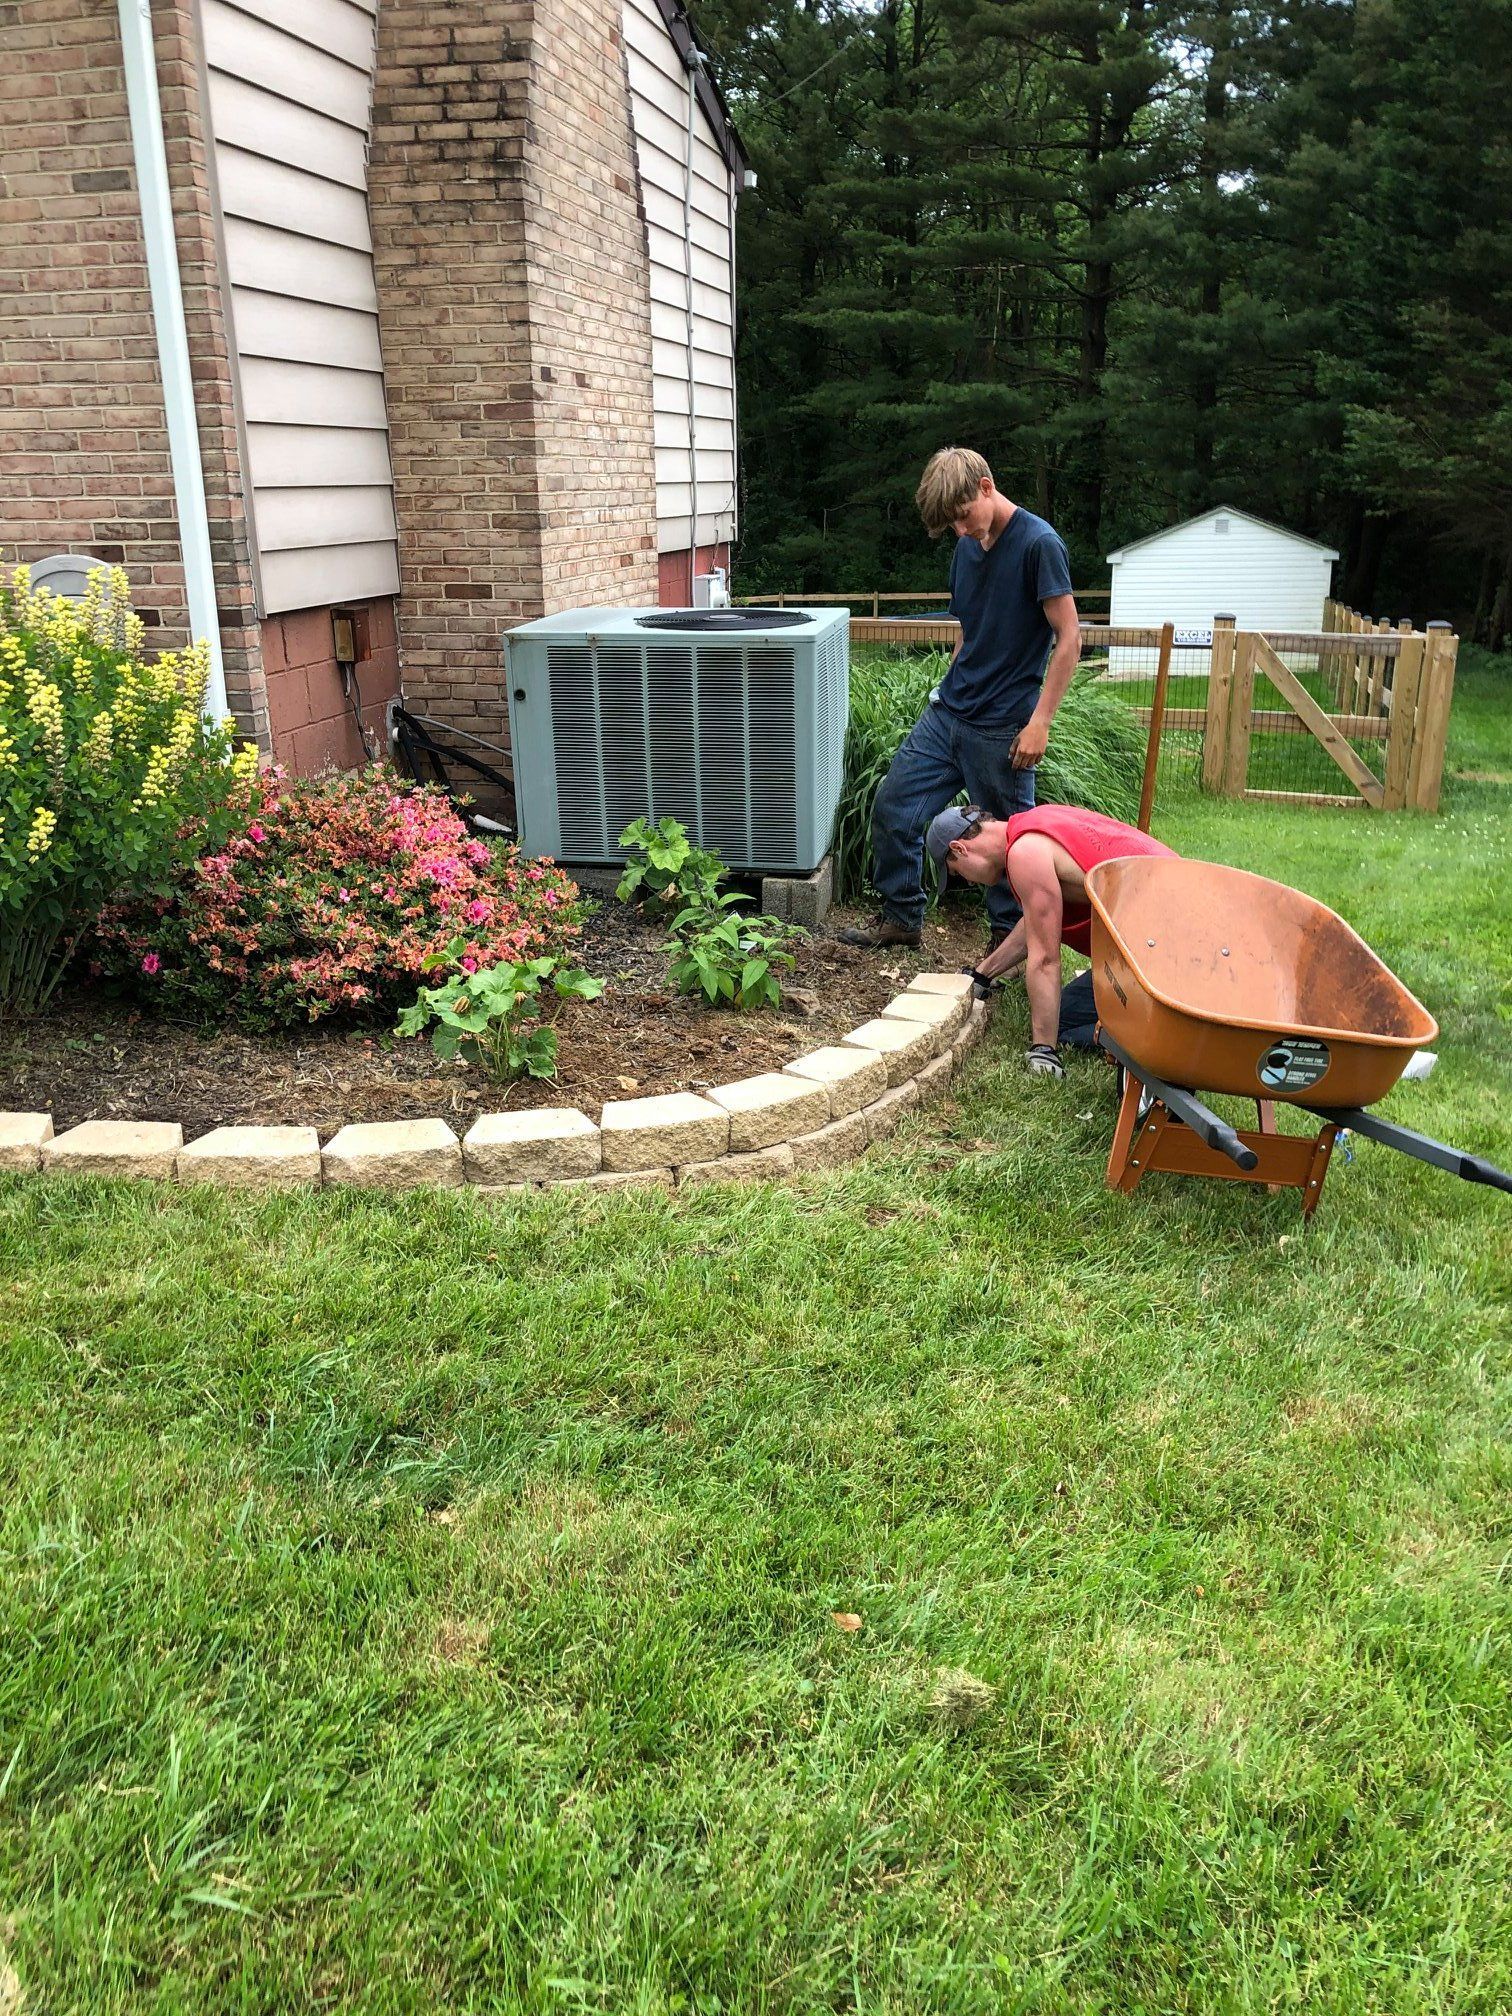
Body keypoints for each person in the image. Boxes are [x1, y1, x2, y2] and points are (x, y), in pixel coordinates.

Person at [840, 446, 1080, 951]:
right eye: (951, 523)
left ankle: (1004, 951)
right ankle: (902, 917)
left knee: (1008, 842)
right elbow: (969, 630)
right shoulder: (967, 548)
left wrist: (1040, 723)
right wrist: (947, 686)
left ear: (987, 486)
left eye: (964, 515)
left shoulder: (1039, 545)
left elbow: (1070, 638)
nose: (961, 530)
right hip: (948, 714)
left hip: (1002, 728)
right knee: (894, 806)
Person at [925, 801, 1177, 1078]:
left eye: (958, 873)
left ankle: (1152, 1032)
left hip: (1167, 949)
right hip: (1181, 913)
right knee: (1065, 1013)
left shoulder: (1024, 853)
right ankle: (1144, 1024)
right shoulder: (1035, 825)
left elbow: (1045, 958)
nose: (969, 882)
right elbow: (1035, 921)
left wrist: (1043, 1048)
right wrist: (982, 975)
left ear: (958, 849)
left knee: (1063, 1026)